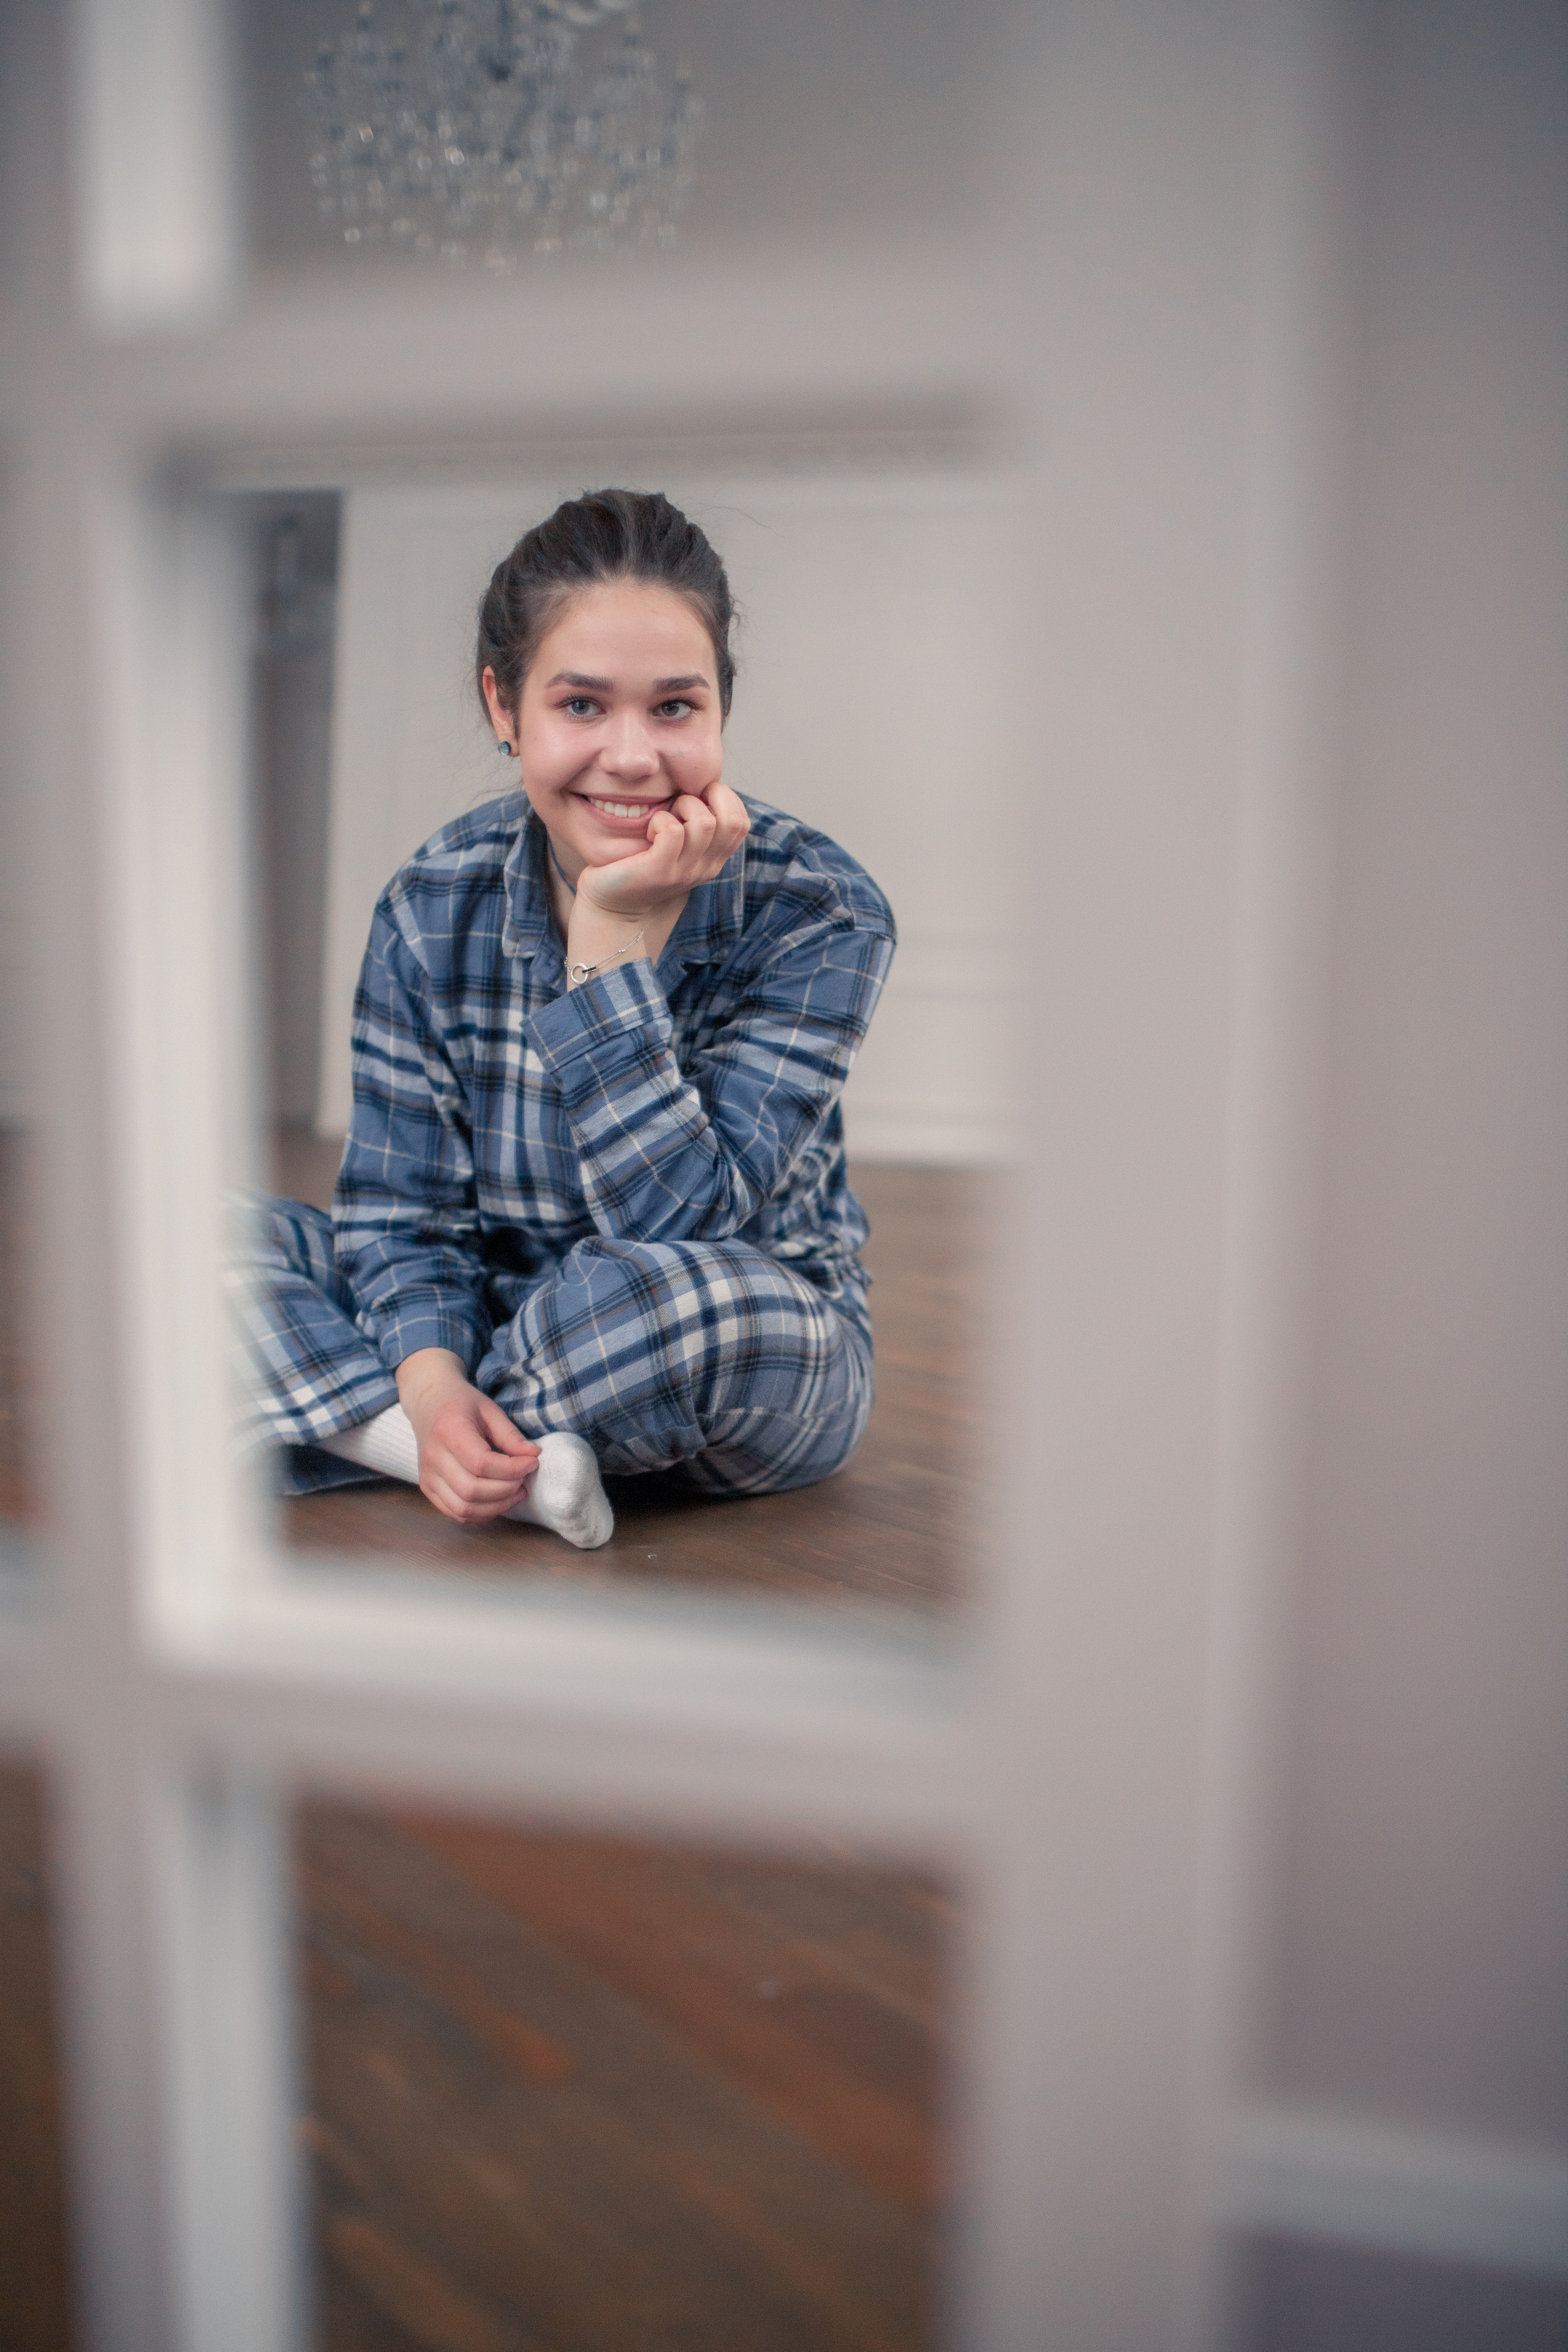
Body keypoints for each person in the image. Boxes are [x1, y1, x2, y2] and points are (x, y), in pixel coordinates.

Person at [233, 488, 895, 1548]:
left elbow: (679, 1228)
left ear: (721, 707)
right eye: (581, 705)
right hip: (491, 1312)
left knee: (664, 1305)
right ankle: (466, 1452)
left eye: (674, 708)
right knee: (176, 1245)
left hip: (727, 1322)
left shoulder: (820, 908)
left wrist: (606, 953)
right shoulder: (431, 902)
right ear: (505, 706)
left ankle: (391, 1431)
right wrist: (435, 1383)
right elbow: (400, 1218)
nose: (631, 757)